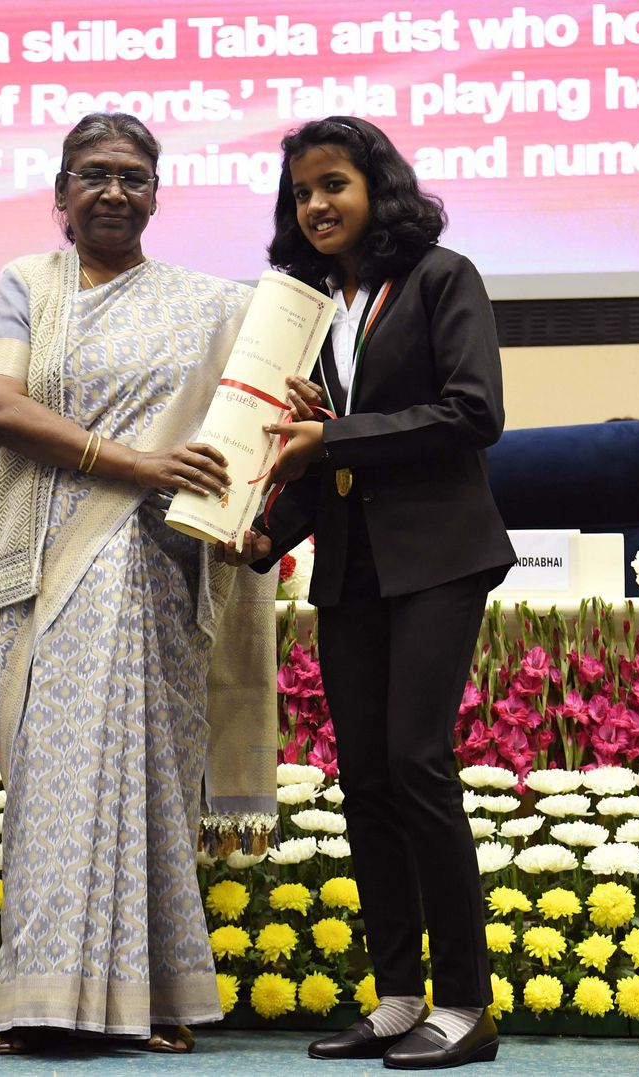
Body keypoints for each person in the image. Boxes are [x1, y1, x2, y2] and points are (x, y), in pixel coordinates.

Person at [0, 112, 277, 1055]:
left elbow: (248, 421)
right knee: (58, 781)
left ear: (155, 195)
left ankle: (152, 999)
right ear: (61, 194)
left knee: (153, 778)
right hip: (49, 557)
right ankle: (41, 1003)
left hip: (164, 564)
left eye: (133, 176)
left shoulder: (212, 305)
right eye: (94, 174)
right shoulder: (29, 283)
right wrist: (134, 463)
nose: (113, 190)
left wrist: (285, 411)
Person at [223, 116, 515, 1068]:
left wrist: (335, 435)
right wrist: (261, 535)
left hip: (438, 555)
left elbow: (473, 412)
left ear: (377, 188)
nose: (316, 205)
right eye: (301, 192)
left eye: (334, 185)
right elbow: (315, 460)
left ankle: (466, 1005)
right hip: (350, 564)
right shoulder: (310, 311)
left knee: (416, 761)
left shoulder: (441, 278)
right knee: (366, 777)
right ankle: (397, 996)